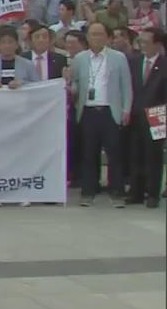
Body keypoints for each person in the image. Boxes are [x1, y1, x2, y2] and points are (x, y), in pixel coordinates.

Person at [69, 22, 133, 208]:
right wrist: (69, 85)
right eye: (92, 34)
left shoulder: (118, 58)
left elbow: (126, 86)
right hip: (88, 111)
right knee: (89, 153)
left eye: (100, 34)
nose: (96, 38)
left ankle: (117, 192)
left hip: (110, 110)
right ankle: (88, 191)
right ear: (87, 37)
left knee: (114, 154)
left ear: (107, 37)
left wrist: (126, 109)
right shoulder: (80, 58)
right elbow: (76, 86)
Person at [125, 27, 165, 207]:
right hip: (135, 114)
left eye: (146, 42)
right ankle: (136, 192)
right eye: (140, 42)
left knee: (153, 156)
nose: (142, 46)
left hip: (157, 115)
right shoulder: (134, 61)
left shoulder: (164, 64)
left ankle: (153, 194)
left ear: (157, 44)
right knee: (136, 154)